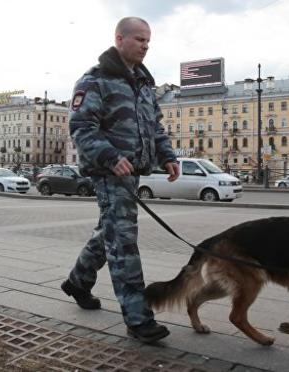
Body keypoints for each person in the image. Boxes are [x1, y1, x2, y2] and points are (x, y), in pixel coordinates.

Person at [61, 17, 179, 343]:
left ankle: (78, 282)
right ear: (120, 38)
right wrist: (111, 157)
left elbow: (154, 126)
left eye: (148, 41)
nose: (145, 45)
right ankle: (138, 318)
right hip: (108, 172)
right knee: (123, 241)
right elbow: (82, 128)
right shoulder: (95, 80)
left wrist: (167, 156)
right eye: (139, 39)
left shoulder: (142, 83)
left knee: (109, 232)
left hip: (132, 172)